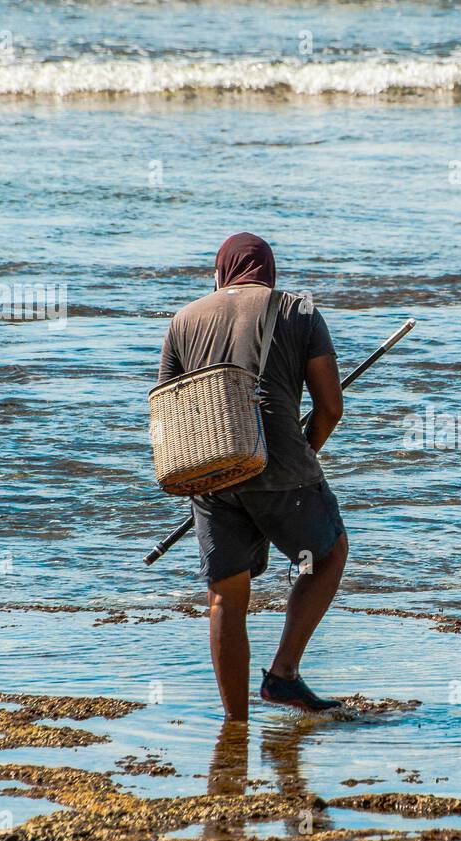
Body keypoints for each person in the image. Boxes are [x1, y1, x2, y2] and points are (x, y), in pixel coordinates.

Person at [158, 232, 348, 720]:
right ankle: (283, 675)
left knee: (225, 597)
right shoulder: (299, 310)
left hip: (210, 469)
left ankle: (235, 722)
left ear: (221, 272)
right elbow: (329, 406)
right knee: (326, 555)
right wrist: (305, 451)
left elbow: (168, 409)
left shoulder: (184, 319)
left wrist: (203, 476)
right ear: (270, 272)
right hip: (283, 467)